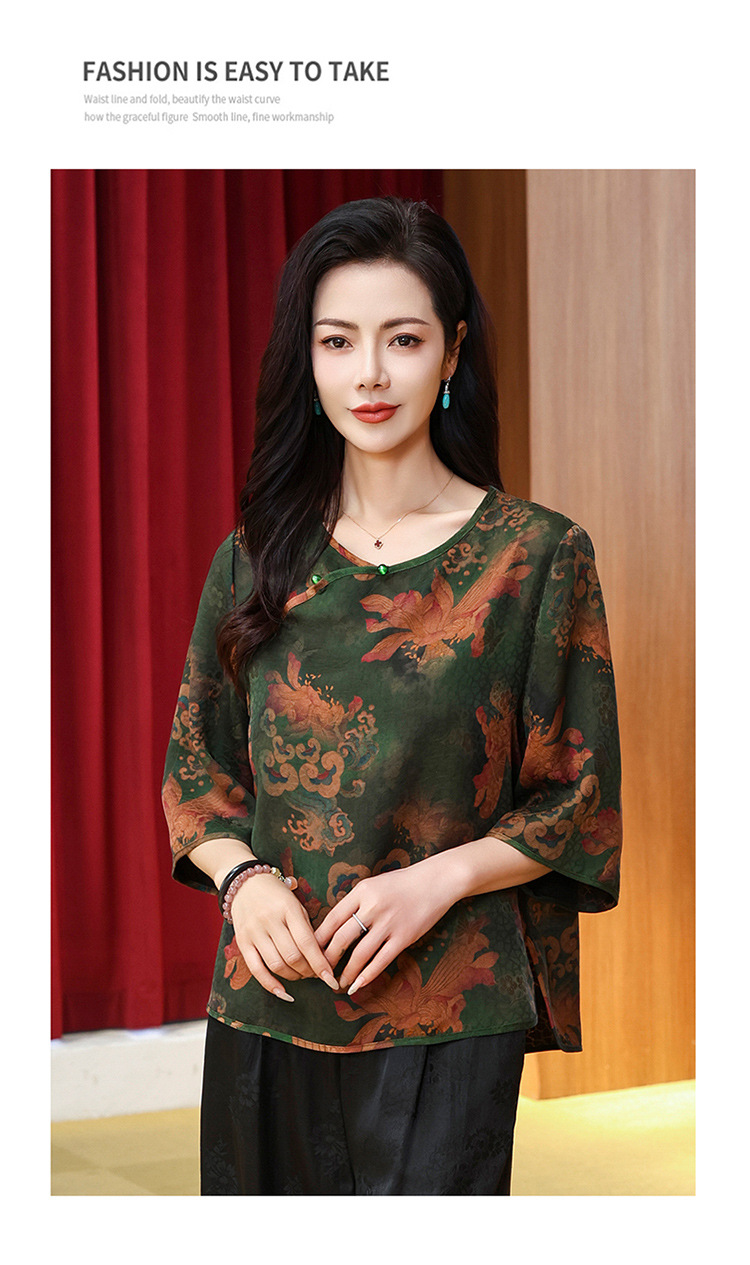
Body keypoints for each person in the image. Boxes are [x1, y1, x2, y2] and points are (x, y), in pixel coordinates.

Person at [162, 195, 622, 1196]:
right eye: (338, 341)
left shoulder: (536, 555)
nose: (369, 373)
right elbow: (197, 775)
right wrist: (244, 882)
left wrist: (436, 880)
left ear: (451, 352)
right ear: (308, 359)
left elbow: (577, 800)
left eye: (402, 339)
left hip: (452, 1006)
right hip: (270, 998)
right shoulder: (253, 558)